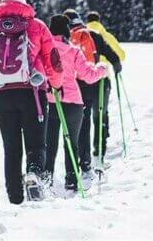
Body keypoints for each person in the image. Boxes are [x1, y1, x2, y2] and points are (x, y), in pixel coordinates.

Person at [0, 0, 63, 204]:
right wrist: (56, 84)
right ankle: (34, 175)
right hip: (32, 93)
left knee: (11, 148)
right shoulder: (37, 26)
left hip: (1, 96)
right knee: (37, 144)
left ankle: (15, 199)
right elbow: (54, 61)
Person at [43, 14, 107, 193]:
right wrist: (102, 69)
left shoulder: (44, 49)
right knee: (71, 144)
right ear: (66, 31)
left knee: (49, 143)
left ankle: (46, 180)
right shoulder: (73, 51)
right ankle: (71, 182)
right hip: (72, 103)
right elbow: (88, 76)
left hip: (50, 101)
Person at [63, 9, 122, 175]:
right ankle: (99, 156)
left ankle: (85, 161)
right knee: (100, 118)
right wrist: (116, 66)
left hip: (79, 86)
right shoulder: (94, 34)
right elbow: (113, 55)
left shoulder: (66, 38)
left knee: (83, 122)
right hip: (98, 82)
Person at [85, 10, 126, 170]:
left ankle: (85, 156)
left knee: (85, 117)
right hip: (102, 79)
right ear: (99, 20)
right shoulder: (104, 35)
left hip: (84, 79)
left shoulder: (81, 34)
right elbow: (120, 55)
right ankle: (100, 148)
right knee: (101, 113)